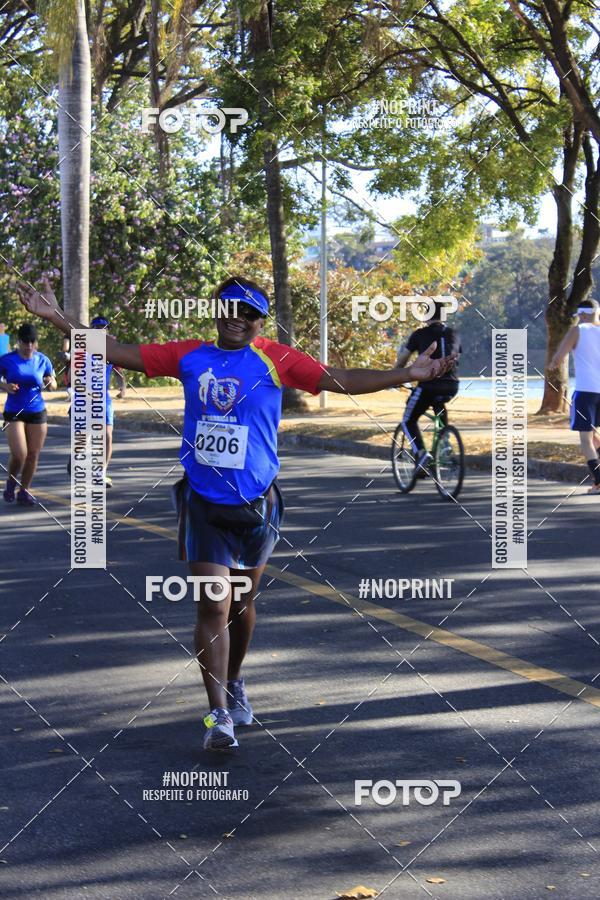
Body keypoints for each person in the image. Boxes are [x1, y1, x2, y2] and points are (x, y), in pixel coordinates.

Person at [17, 275, 456, 750]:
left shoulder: (277, 358)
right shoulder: (188, 355)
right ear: (216, 311)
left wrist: (407, 376)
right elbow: (114, 349)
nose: (237, 319)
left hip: (257, 504)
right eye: (229, 308)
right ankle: (219, 713)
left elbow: (341, 380)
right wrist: (55, 317)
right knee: (214, 604)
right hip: (203, 503)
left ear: (259, 321)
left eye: (249, 313)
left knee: (243, 608)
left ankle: (235, 678)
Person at [395, 300, 461, 474]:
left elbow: (402, 359)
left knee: (408, 420)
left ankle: (422, 455)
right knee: (439, 406)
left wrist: (395, 377)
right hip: (452, 385)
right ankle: (444, 444)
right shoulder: (454, 333)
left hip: (429, 385)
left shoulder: (419, 334)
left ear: (426, 316)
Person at [64, 315, 127, 487]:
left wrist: (122, 388)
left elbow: (119, 371)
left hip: (104, 399)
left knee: (107, 435)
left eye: (103, 328)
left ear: (107, 331)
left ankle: (101, 473)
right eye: (97, 328)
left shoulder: (111, 351)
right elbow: (70, 377)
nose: (100, 330)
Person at [0, 322, 57, 506]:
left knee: (33, 454)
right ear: (19, 342)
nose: (29, 346)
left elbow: (53, 382)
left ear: (37, 342)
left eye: (32, 341)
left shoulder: (43, 360)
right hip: (14, 411)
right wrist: (5, 386)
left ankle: (24, 491)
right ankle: (11, 482)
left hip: (37, 411)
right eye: (25, 341)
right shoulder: (7, 359)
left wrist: (50, 382)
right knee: (20, 454)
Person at [551, 299, 600, 495]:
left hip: (586, 392)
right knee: (595, 437)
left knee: (586, 440)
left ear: (581, 314)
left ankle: (598, 482)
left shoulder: (577, 331)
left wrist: (553, 364)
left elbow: (558, 357)